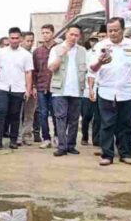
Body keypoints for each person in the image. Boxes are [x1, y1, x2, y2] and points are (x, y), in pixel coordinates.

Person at [90, 18, 131, 166]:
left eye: (116, 30)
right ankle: (107, 155)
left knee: (125, 124)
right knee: (107, 124)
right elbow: (92, 69)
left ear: (122, 30)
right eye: (110, 30)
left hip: (127, 92)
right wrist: (99, 62)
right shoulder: (100, 46)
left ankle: (125, 154)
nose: (112, 33)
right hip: (106, 91)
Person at [48, 25, 88, 157]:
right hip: (60, 90)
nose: (73, 37)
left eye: (76, 35)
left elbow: (88, 70)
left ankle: (71, 145)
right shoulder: (56, 49)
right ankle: (62, 146)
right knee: (60, 118)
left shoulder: (82, 51)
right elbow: (52, 68)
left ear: (79, 37)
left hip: (77, 90)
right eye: (71, 34)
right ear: (66, 34)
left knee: (74, 119)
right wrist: (61, 55)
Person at [0, 27, 34, 150]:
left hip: (18, 88)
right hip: (2, 87)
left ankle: (13, 140)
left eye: (17, 38)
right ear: (8, 38)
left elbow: (28, 73)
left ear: (20, 39)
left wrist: (28, 90)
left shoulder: (26, 55)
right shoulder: (1, 52)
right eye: (12, 38)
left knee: (15, 115)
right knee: (0, 112)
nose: (14, 40)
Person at [32, 24, 59, 149]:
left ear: (53, 33)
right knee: (42, 113)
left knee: (56, 113)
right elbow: (34, 71)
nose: (45, 35)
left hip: (56, 86)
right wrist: (34, 86)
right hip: (41, 86)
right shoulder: (37, 52)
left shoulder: (59, 49)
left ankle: (57, 137)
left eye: (47, 32)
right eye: (43, 33)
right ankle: (46, 138)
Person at [18, 31, 40, 146]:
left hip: (32, 88)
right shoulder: (17, 54)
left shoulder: (34, 54)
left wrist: (34, 87)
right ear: (21, 40)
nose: (30, 43)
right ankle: (17, 137)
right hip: (18, 87)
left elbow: (35, 72)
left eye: (32, 41)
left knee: (29, 113)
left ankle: (26, 135)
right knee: (17, 113)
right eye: (28, 40)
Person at [81, 37, 101, 146]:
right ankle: (84, 137)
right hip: (87, 89)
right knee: (87, 115)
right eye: (92, 40)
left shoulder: (105, 54)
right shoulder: (86, 54)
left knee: (98, 117)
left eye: (96, 40)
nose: (93, 42)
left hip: (100, 89)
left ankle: (96, 139)